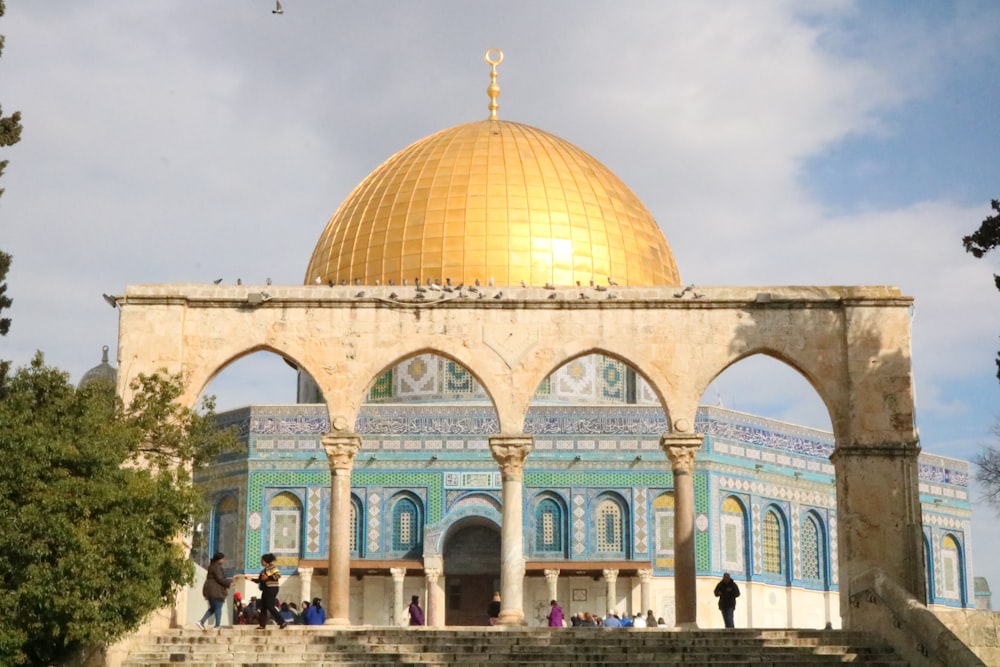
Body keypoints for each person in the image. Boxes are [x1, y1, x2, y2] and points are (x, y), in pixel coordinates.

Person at [196, 552, 234, 629]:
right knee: (218, 607)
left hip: (211, 590)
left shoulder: (212, 566)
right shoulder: (216, 567)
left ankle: (201, 621)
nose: (224, 560)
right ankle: (217, 625)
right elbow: (220, 579)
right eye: (223, 559)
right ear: (219, 559)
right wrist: (230, 582)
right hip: (216, 590)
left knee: (213, 608)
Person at [256, 553, 287, 629]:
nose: (261, 562)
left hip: (272, 588)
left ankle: (282, 621)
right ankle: (262, 624)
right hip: (266, 589)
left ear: (266, 561)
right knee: (263, 606)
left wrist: (268, 577)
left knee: (269, 605)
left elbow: (278, 575)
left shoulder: (272, 567)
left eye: (262, 560)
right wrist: (250, 579)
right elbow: (260, 580)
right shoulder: (264, 570)